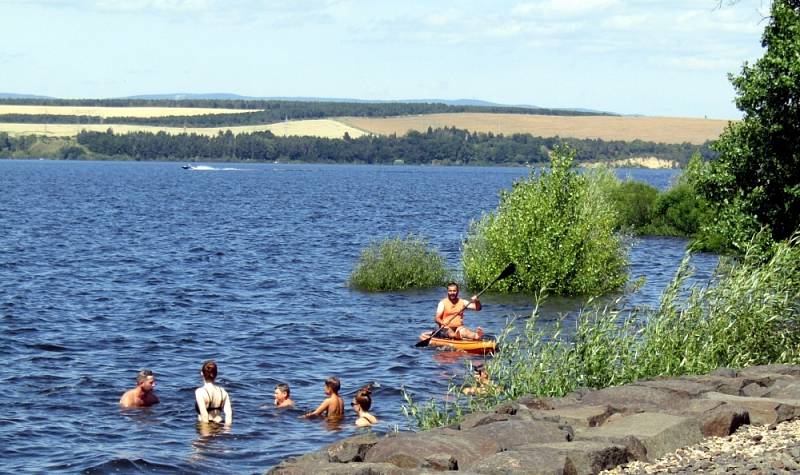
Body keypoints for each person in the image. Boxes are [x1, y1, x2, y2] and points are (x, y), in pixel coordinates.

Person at [195, 360, 232, 424]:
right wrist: (227, 431)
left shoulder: (200, 392)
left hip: (206, 427)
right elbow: (229, 415)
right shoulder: (223, 392)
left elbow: (204, 415)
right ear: (216, 374)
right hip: (219, 425)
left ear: (202, 373)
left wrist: (206, 432)